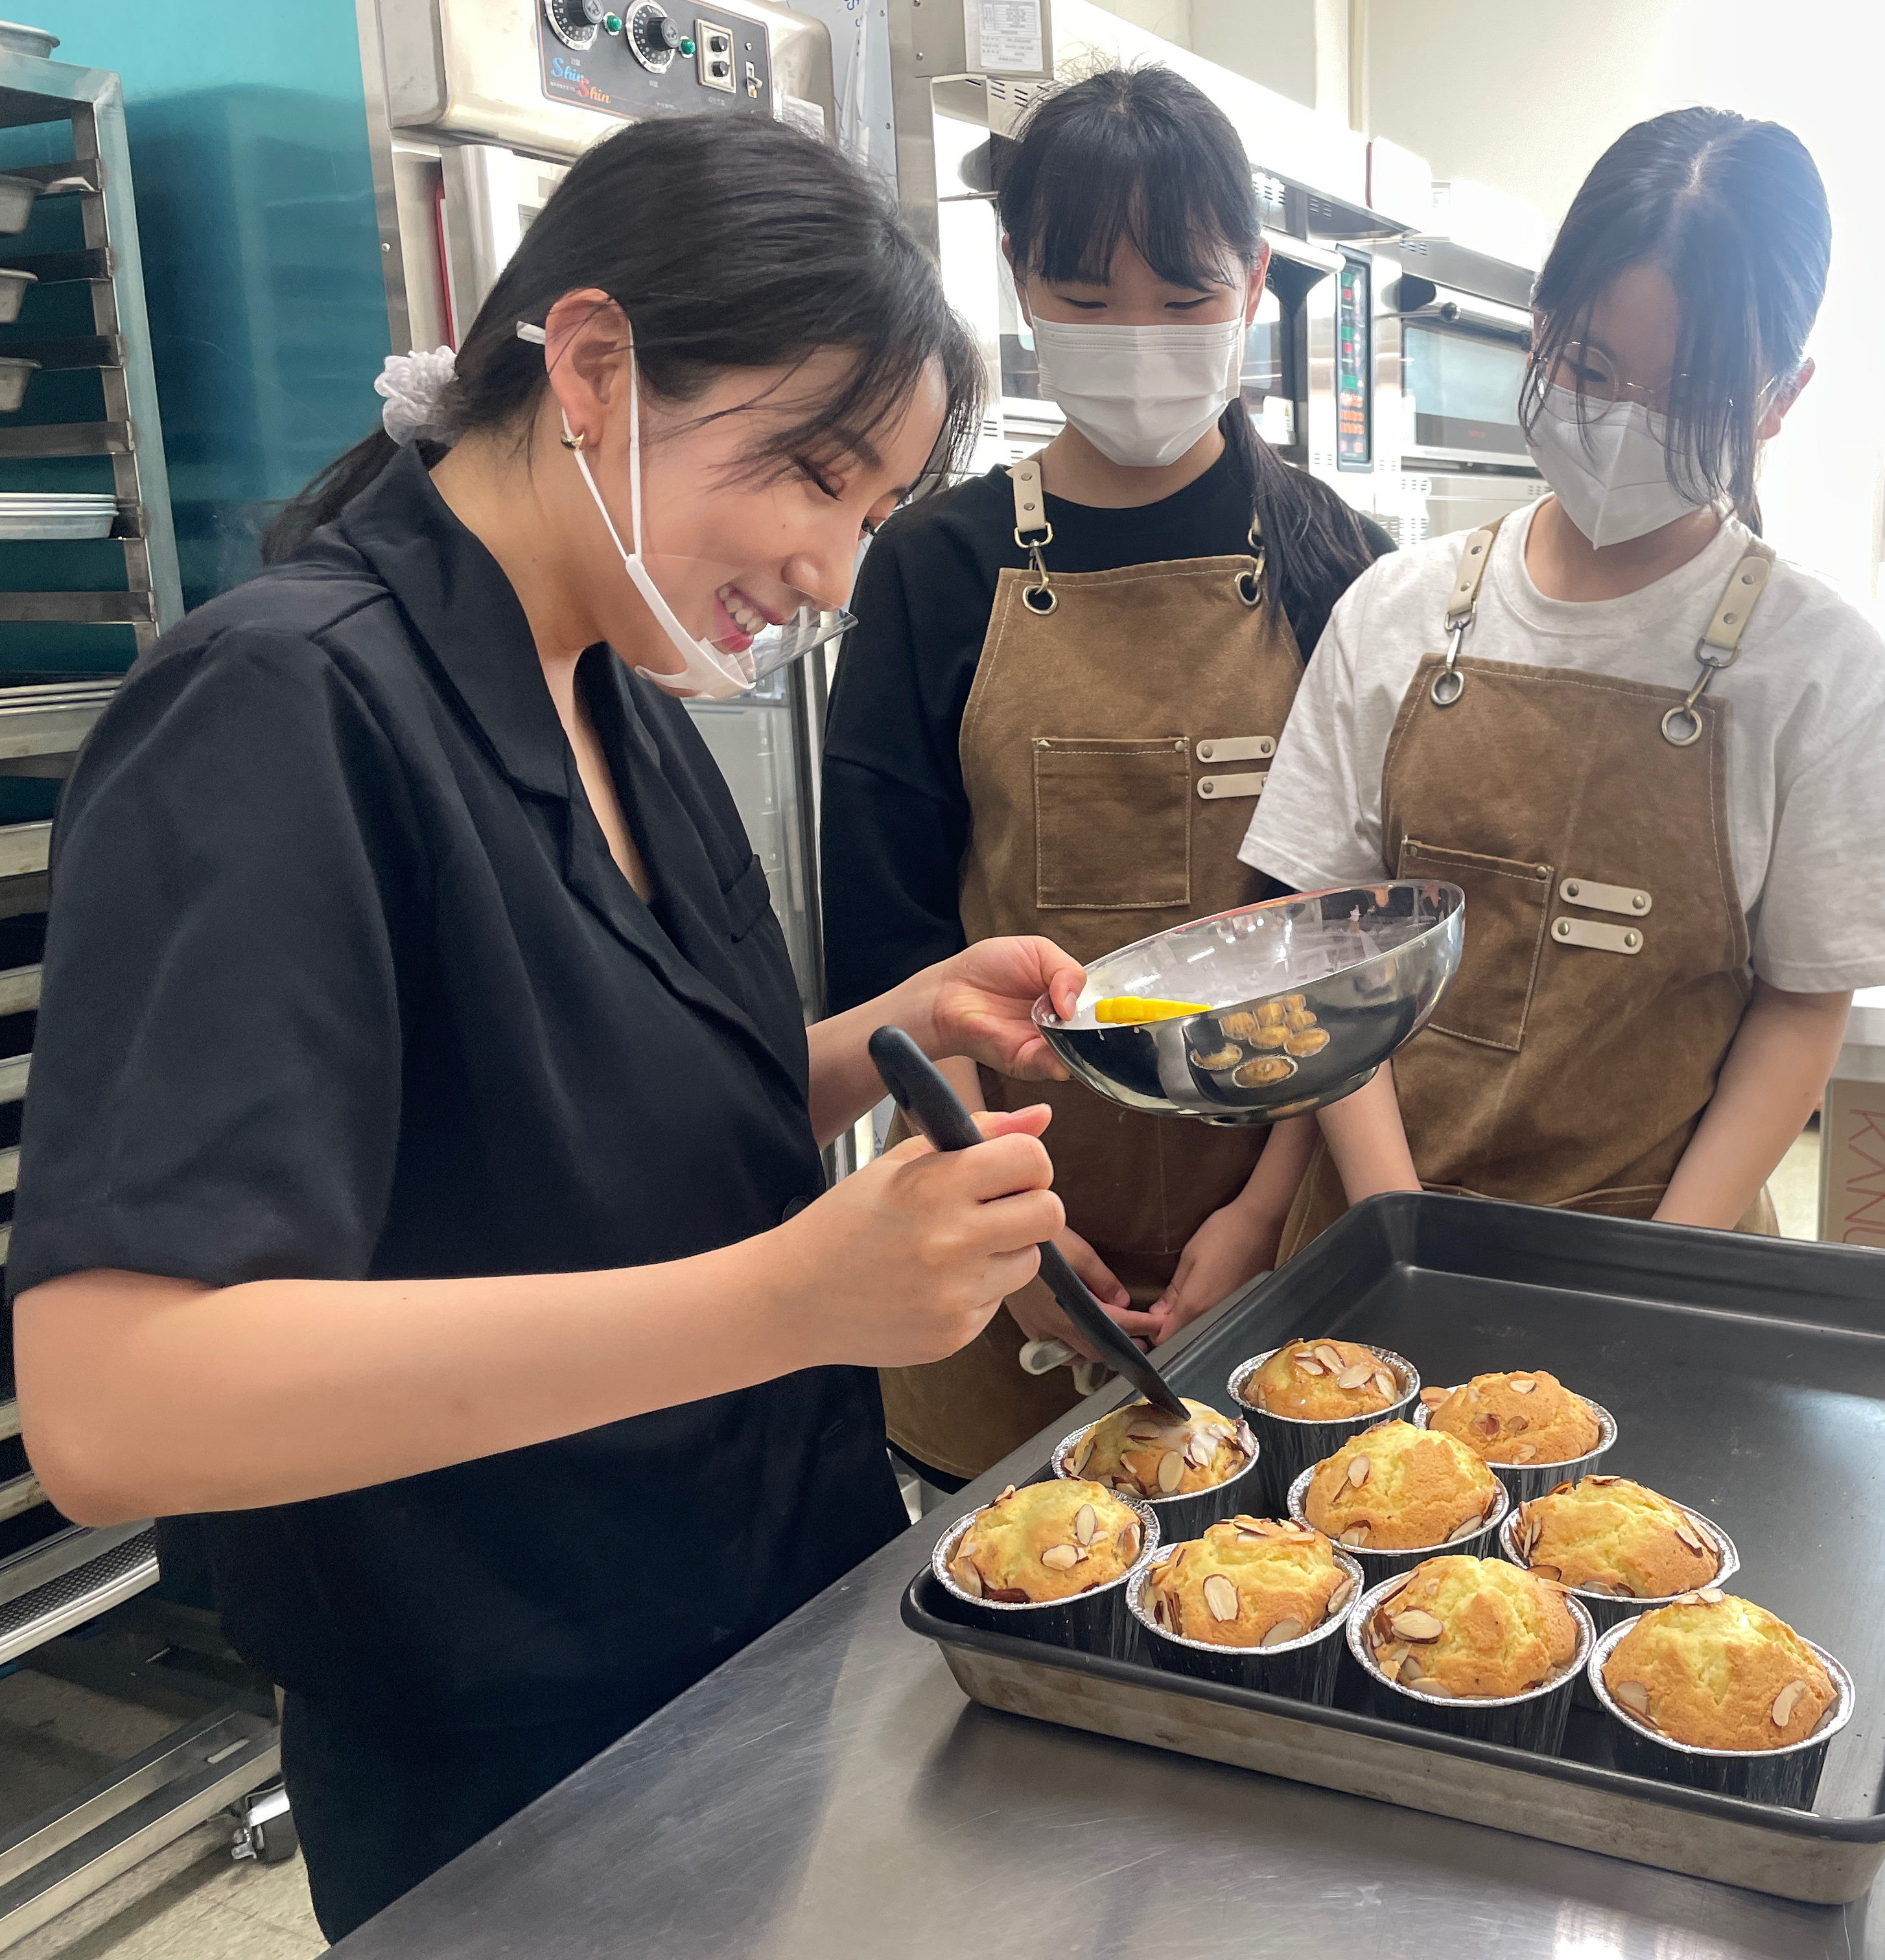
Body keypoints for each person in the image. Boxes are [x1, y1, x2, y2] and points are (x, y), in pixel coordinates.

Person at [8, 117, 1086, 1942]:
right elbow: (116, 1401)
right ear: (590, 366)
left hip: (747, 1639)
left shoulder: (621, 694)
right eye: (814, 477)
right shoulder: (281, 713)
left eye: (875, 511)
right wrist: (787, 1301)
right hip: (498, 1739)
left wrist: (878, 1031)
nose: (833, 571)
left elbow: (576, 1113)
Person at [819, 64, 1391, 1489]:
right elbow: (888, 942)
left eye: (1186, 296)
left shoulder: (1344, 568)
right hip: (990, 1215)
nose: (1137, 337)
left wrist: (1261, 1217)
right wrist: (1005, 1230)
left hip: (1271, 1245)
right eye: (1085, 299)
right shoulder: (932, 571)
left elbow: (1356, 947)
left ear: (1256, 281)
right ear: (1016, 282)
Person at [1243, 109, 1885, 1242]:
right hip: (1373, 1241)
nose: (1625, 422)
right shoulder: (1397, 611)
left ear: (1782, 398)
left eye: (1692, 392)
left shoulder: (1823, 674)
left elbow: (1803, 1008)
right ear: (1541, 327)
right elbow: (1330, 945)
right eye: (1592, 366)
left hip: (1658, 1255)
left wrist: (1661, 1263)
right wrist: (1399, 1227)